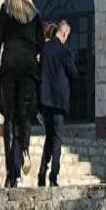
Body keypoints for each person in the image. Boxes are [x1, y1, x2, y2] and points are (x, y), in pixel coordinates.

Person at [0, 0, 45, 188]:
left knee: (9, 118)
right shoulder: (35, 15)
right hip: (28, 69)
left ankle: (12, 172)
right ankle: (23, 151)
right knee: (24, 116)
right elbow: (41, 46)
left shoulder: (5, 12)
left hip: (9, 67)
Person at [38, 20, 78, 187]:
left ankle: (42, 172)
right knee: (57, 139)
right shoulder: (64, 52)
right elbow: (74, 74)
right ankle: (53, 176)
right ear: (64, 33)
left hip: (45, 100)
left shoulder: (44, 49)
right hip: (59, 101)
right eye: (67, 35)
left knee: (49, 137)